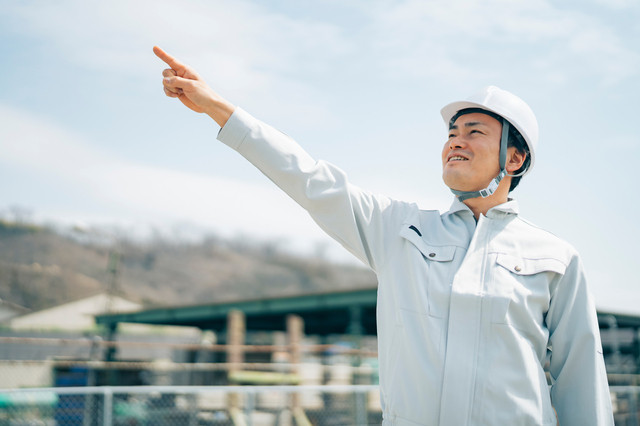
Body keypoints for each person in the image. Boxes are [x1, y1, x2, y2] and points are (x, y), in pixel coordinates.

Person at [153, 46, 614, 425]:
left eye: (474, 131)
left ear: (513, 161)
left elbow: (581, 380)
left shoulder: (555, 258)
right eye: (452, 131)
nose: (455, 140)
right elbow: (311, 180)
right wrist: (219, 108)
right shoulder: (399, 229)